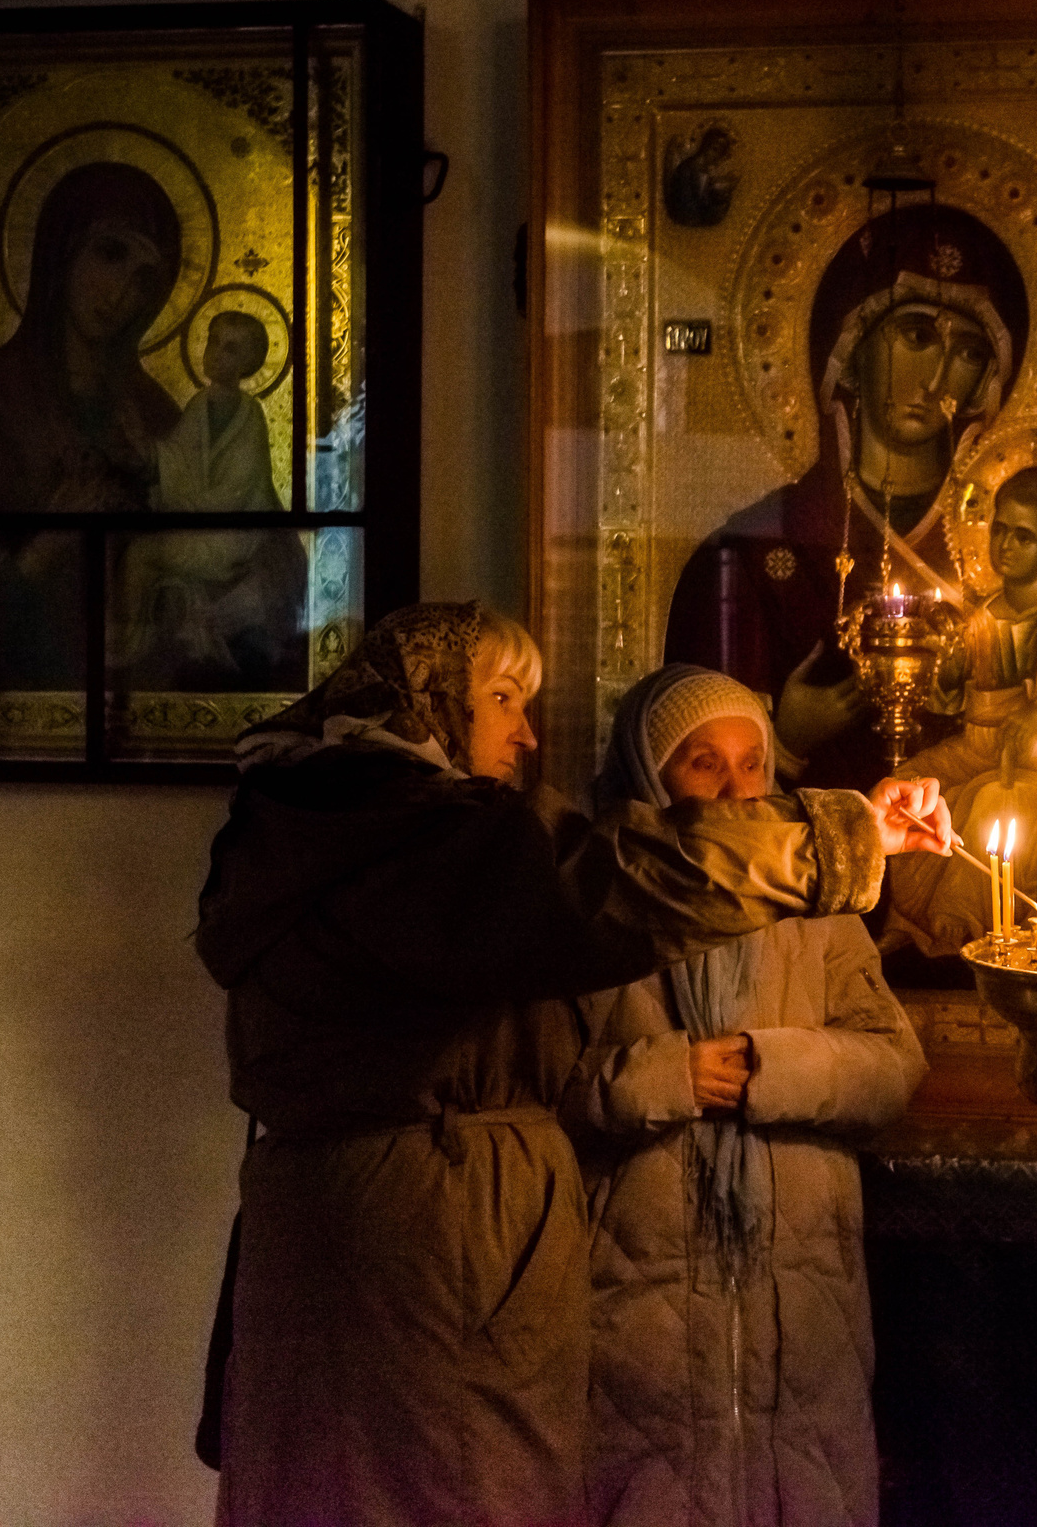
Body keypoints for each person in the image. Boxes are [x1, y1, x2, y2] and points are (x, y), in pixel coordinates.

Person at [194, 602, 949, 1527]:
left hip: (412, 1230)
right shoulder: (413, 835)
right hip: (434, 1243)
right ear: (428, 703)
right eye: (503, 696)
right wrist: (843, 837)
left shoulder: (354, 828)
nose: (526, 729)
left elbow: (880, 1055)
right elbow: (605, 883)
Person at [570, 667, 926, 1527]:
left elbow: (893, 1064)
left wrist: (774, 1067)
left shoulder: (816, 911)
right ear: (653, 777)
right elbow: (540, 1084)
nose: (737, 790)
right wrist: (665, 1077)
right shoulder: (598, 907)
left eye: (753, 765)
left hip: (800, 1304)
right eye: (704, 764)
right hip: (633, 1301)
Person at [663, 202, 1030, 794]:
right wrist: (784, 741)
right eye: (915, 337)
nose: (938, 379)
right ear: (849, 354)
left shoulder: (1004, 556)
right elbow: (690, 794)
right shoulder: (746, 559)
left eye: (967, 352)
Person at [0, 159, 186, 689]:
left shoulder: (159, 418)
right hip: (16, 710)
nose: (120, 295)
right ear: (60, 250)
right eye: (110, 254)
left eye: (144, 278)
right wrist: (44, 549)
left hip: (139, 703)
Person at [886, 465, 1037, 956]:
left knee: (995, 801)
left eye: (1023, 536)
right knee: (904, 790)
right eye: (999, 530)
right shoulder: (981, 616)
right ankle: (909, 923)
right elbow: (957, 705)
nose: (1005, 546)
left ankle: (959, 927)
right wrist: (949, 681)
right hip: (981, 751)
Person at [119, 309, 308, 690]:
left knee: (142, 554)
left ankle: (126, 646)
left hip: (234, 534)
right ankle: (130, 641)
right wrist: (149, 454)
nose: (216, 353)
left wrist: (181, 503)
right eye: (213, 341)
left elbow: (235, 491)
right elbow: (178, 459)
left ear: (248, 363)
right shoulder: (199, 406)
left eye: (231, 349)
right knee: (137, 549)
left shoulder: (250, 416)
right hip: (203, 524)